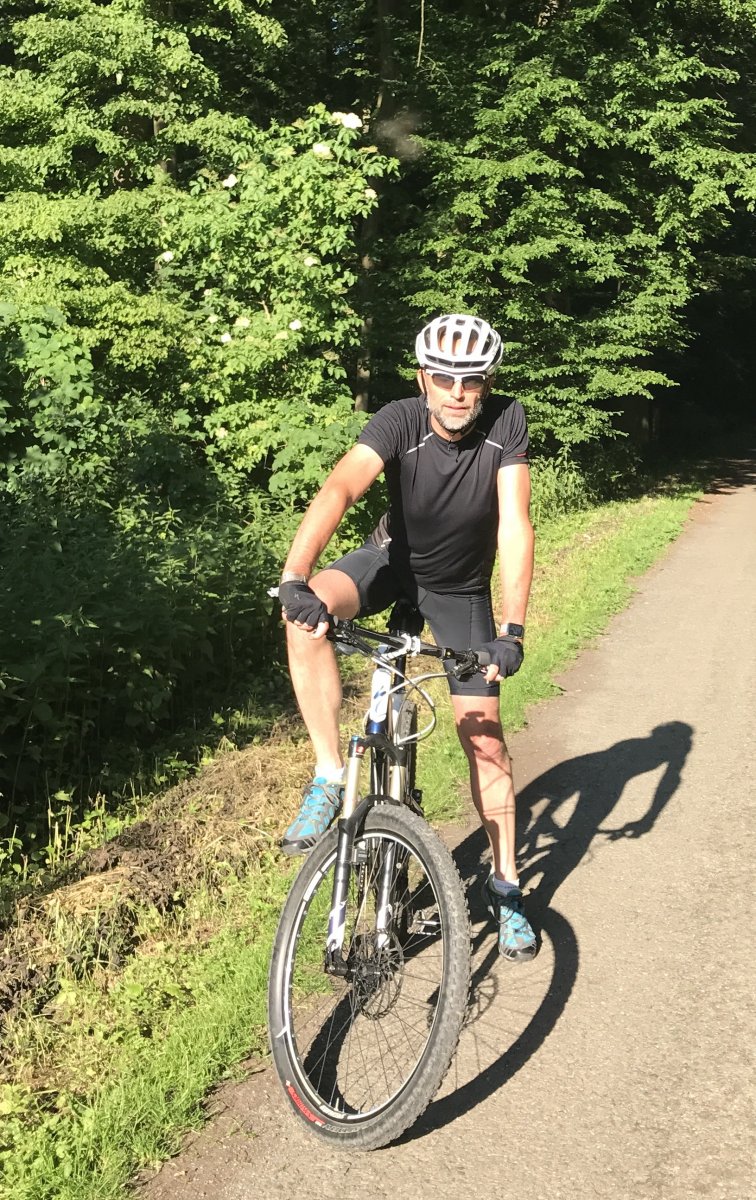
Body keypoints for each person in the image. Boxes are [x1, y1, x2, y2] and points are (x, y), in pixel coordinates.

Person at [276, 314, 536, 962]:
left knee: (487, 745)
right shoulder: (398, 419)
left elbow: (514, 525)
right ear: (423, 378)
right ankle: (329, 774)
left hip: (460, 593)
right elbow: (340, 487)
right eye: (443, 378)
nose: (457, 392)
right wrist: (295, 577)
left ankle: (506, 886)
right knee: (302, 617)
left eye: (471, 380)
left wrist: (511, 630)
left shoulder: (507, 421)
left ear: (487, 383)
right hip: (391, 565)